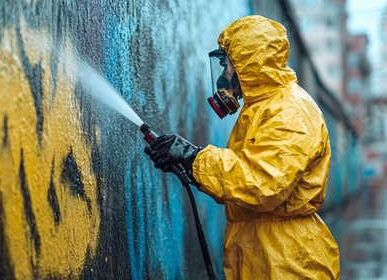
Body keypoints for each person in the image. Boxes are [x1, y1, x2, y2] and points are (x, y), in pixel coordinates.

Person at [144, 15, 340, 279]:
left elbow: (264, 183)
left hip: (288, 261)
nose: (224, 75)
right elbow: (241, 181)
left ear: (249, 64)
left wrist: (194, 157)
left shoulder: (290, 112)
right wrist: (190, 166)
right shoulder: (258, 110)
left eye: (227, 65)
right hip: (262, 251)